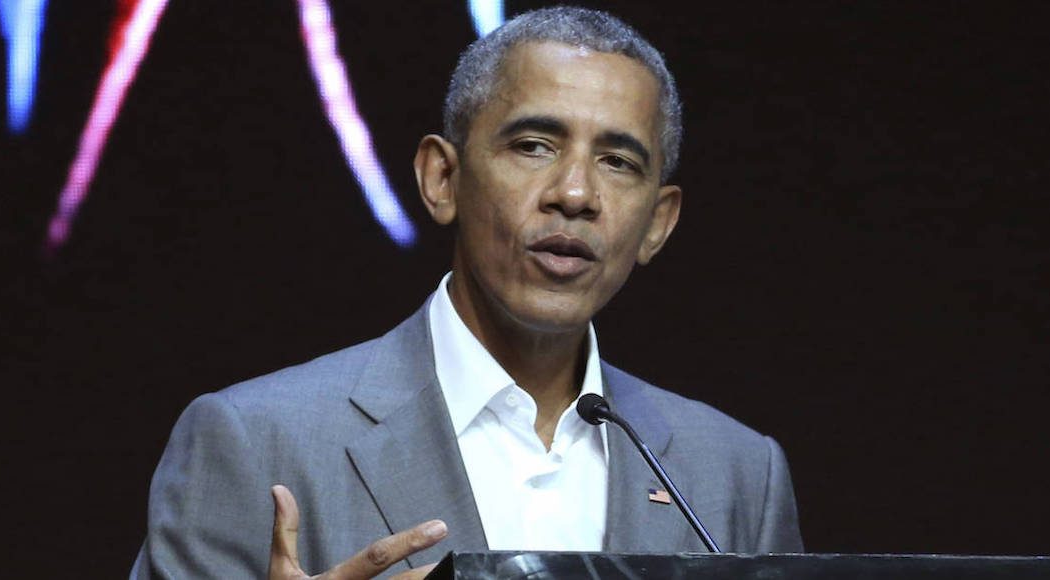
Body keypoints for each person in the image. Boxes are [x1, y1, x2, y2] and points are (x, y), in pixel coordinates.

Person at [132, 7, 802, 579]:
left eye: (619, 162)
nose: (575, 194)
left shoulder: (736, 473)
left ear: (656, 223)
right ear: (442, 179)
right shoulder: (253, 442)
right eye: (535, 145)